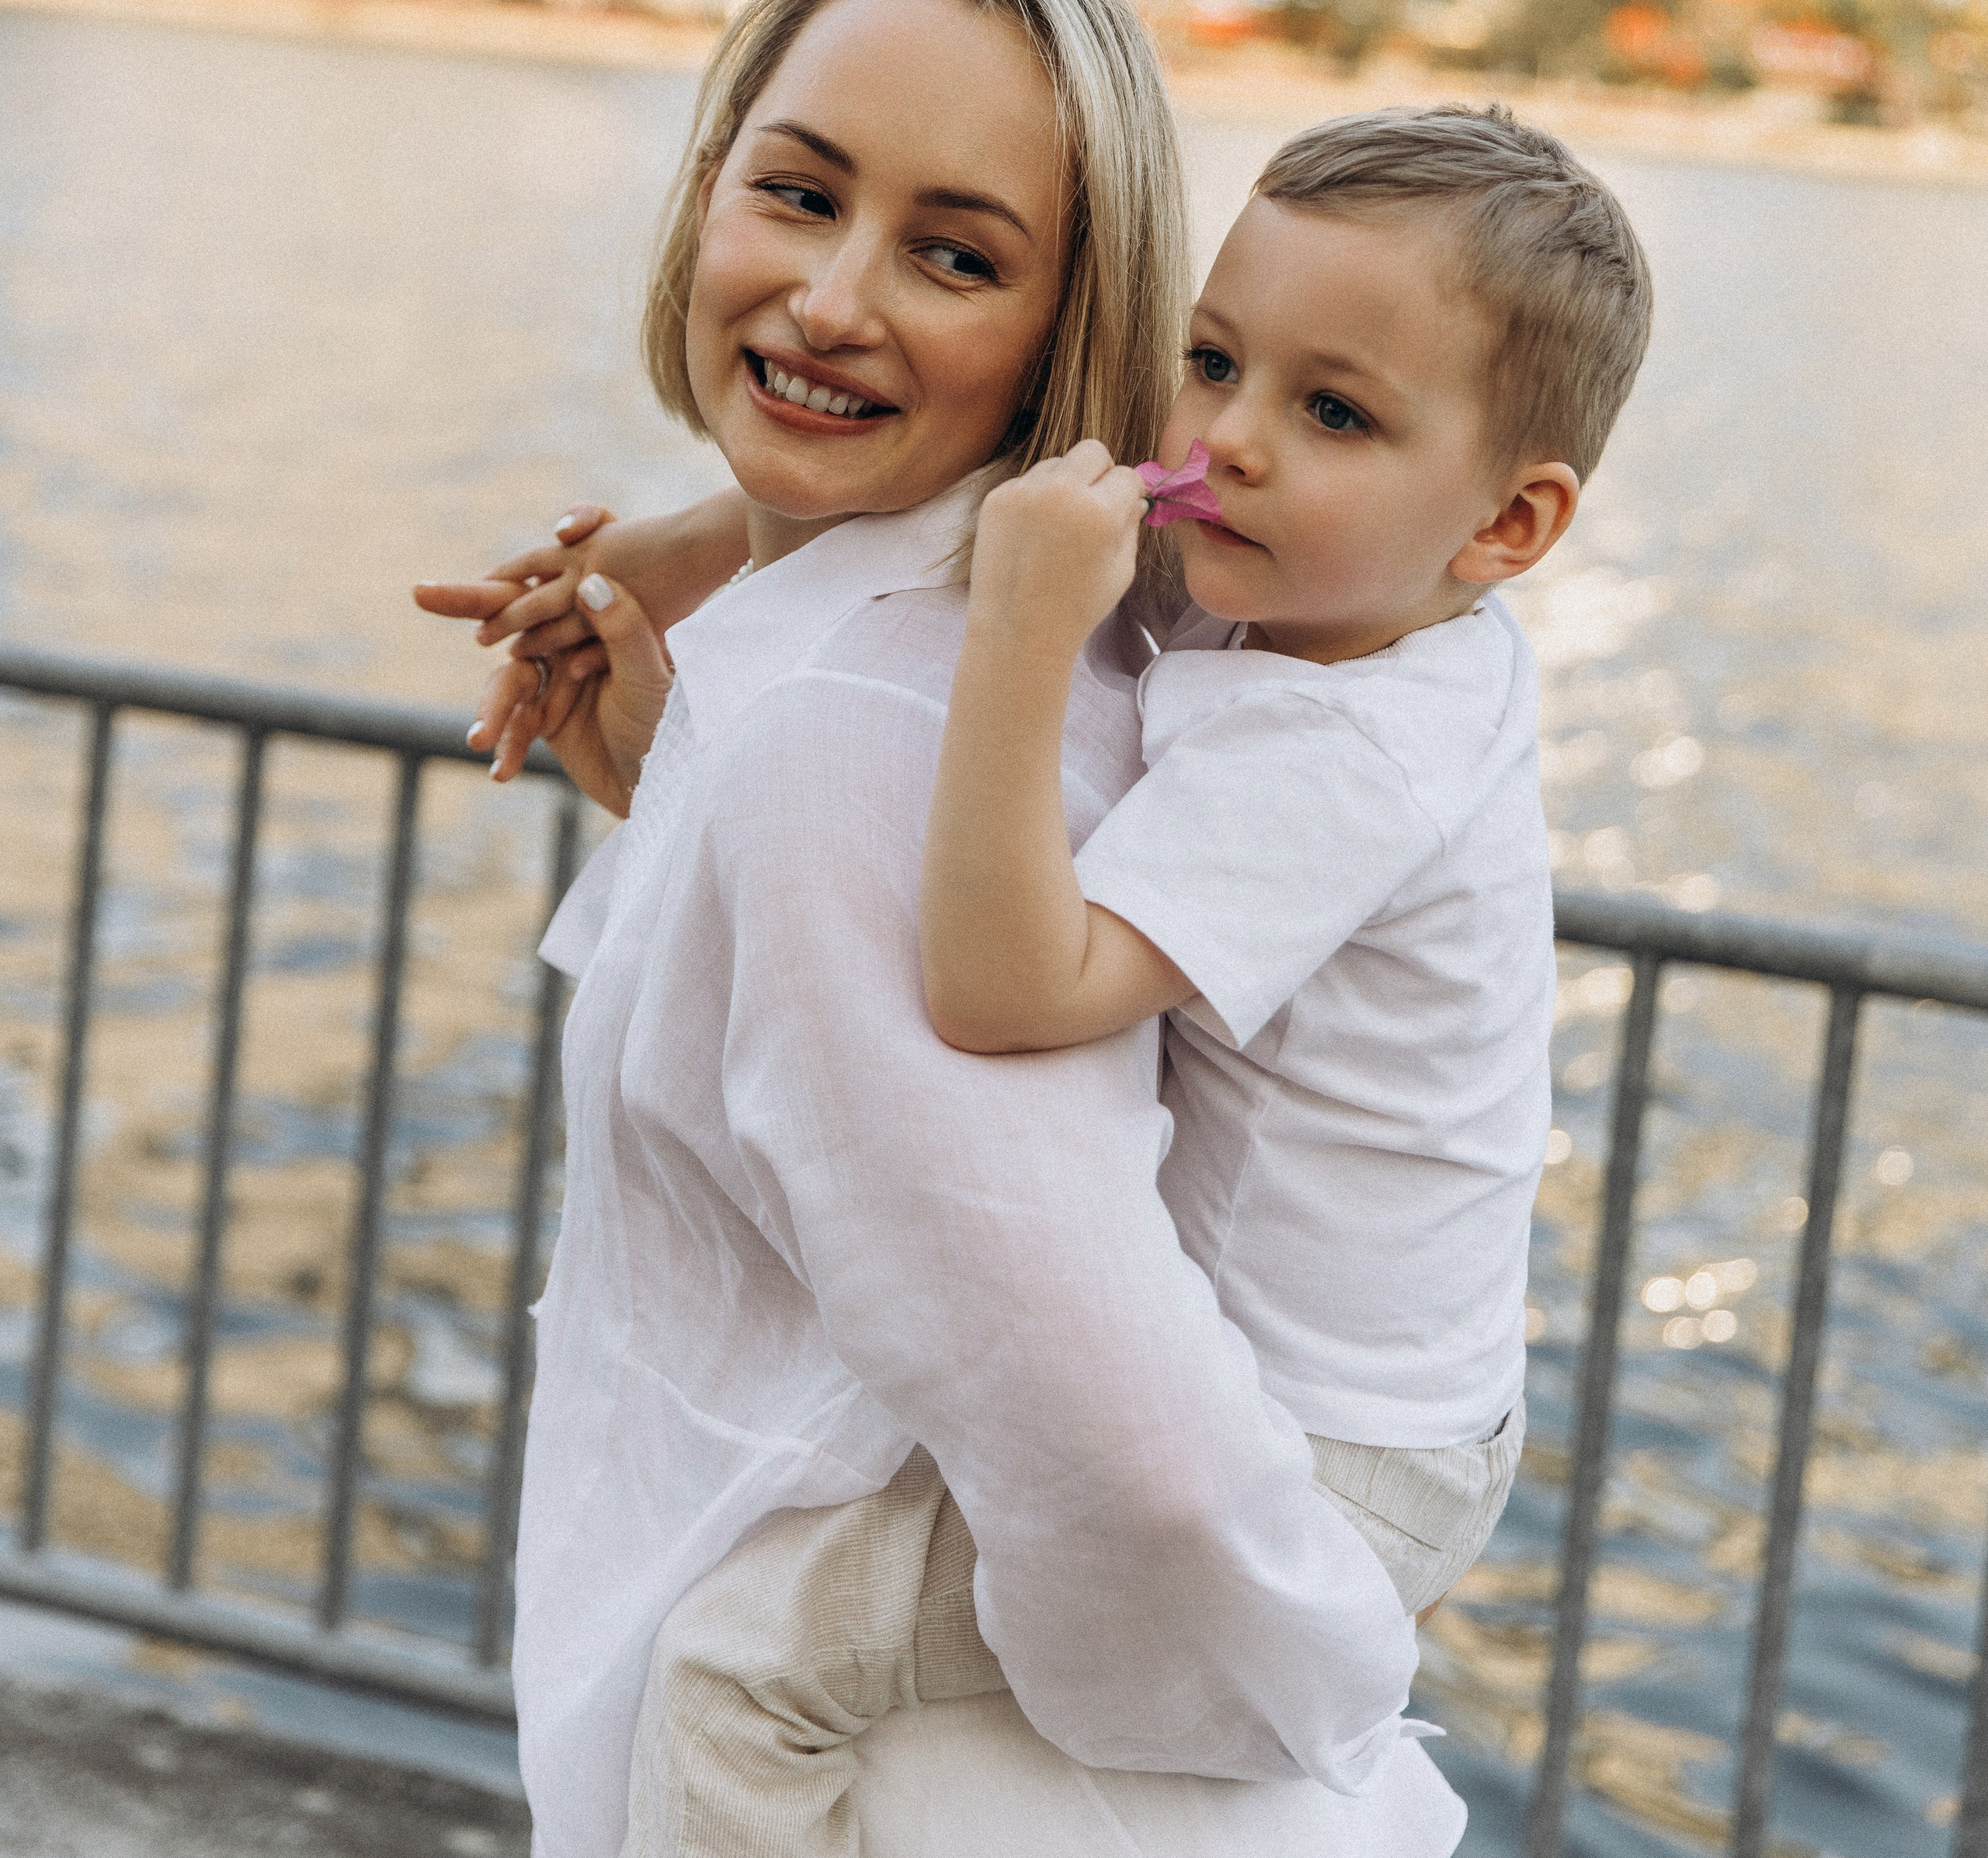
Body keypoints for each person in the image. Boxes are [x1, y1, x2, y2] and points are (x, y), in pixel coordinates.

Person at [416, 0, 1462, 1858]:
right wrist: (688, 706)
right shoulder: (1025, 634)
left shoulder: (851, 713)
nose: (827, 298)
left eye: (952, 254)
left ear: (1066, 323)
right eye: (794, 193)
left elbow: (1115, 1435)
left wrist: (1318, 1681)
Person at [580, 106, 1651, 1858]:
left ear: (1510, 522)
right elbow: (993, 493)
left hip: (1328, 1462)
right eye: (1210, 361)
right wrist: (662, 552)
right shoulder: (1338, 590)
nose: (1220, 444)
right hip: (1361, 1399)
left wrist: (1015, 633)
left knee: (740, 1667)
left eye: (1330, 411)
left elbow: (1009, 987)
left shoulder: (1351, 747)